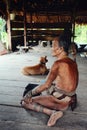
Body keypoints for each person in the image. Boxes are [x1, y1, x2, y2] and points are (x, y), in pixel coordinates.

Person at [21, 34, 79, 127]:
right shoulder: (72, 62)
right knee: (34, 87)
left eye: (53, 46)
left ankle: (52, 113)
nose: (51, 48)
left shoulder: (58, 63)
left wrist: (28, 95)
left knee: (24, 102)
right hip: (70, 98)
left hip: (60, 102)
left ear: (60, 49)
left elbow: (46, 85)